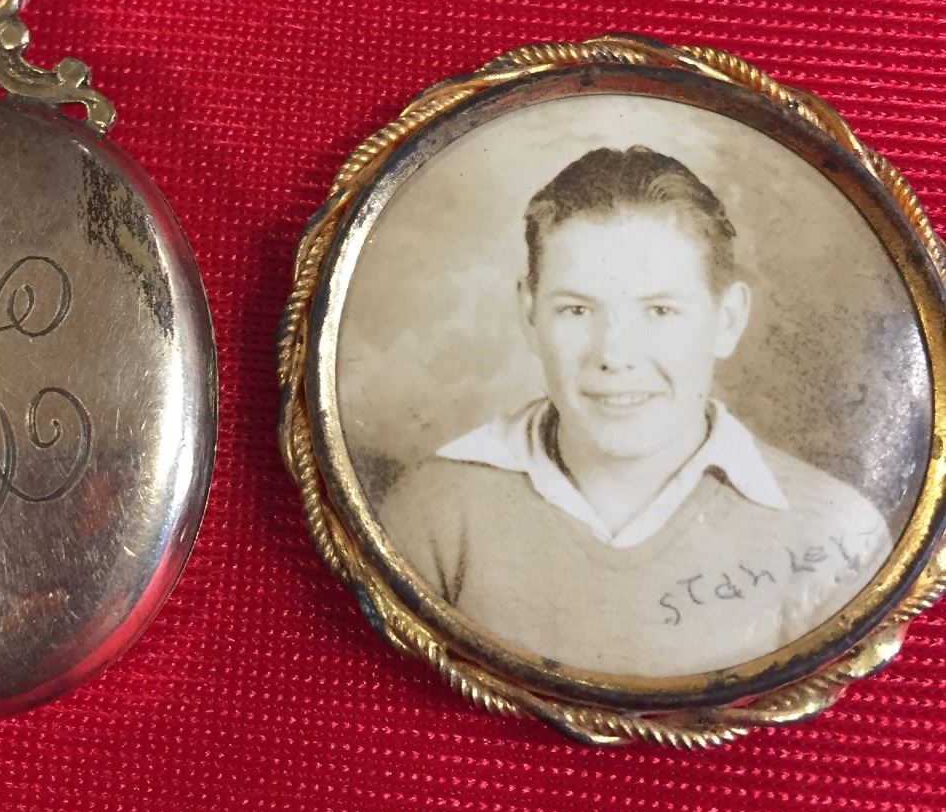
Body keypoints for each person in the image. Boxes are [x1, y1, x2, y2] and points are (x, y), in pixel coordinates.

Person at [379, 146, 892, 679]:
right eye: (576, 309)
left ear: (727, 319)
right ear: (530, 316)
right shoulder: (431, 512)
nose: (614, 354)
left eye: (660, 310)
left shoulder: (835, 530)